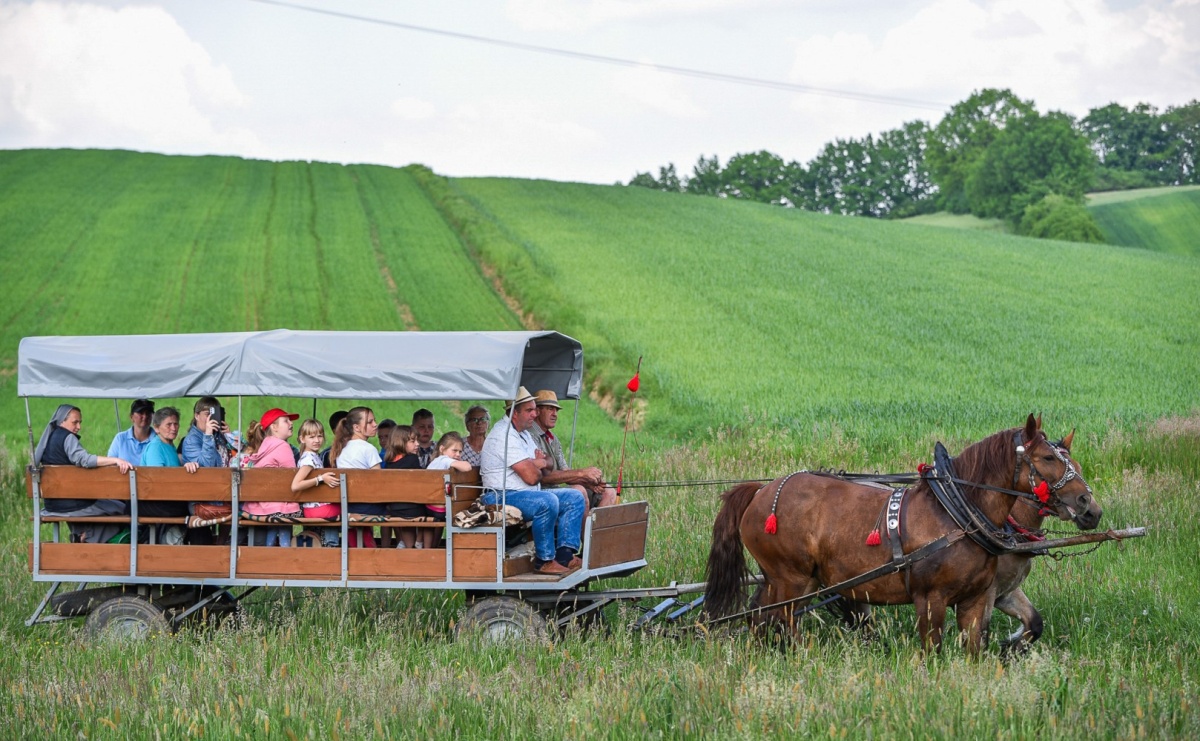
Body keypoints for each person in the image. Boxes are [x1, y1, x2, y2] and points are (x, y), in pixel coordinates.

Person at [480, 387, 585, 576]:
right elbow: (532, 477)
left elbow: (548, 466)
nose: (534, 414)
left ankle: (564, 555)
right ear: (514, 413)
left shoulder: (524, 434)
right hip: (500, 496)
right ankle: (544, 561)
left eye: (535, 409)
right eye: (529, 410)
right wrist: (536, 464)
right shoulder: (503, 436)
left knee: (574, 497)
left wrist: (538, 462)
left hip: (524, 494)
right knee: (547, 502)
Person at [35, 404, 132, 545]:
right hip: (72, 504)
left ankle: (82, 536)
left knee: (104, 509)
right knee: (122, 508)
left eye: (80, 422)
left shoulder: (50, 438)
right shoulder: (67, 437)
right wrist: (115, 460)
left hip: (53, 505)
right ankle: (87, 538)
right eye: (75, 422)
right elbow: (84, 459)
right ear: (62, 421)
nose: (79, 427)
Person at [531, 390, 619, 509]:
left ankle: (593, 526)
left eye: (556, 410)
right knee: (579, 491)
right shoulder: (530, 435)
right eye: (550, 409)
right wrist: (581, 473)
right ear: (537, 411)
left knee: (608, 491)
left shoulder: (553, 438)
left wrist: (588, 482)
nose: (555, 414)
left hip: (556, 490)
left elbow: (565, 470)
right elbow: (542, 477)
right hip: (539, 492)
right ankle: (583, 527)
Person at [239, 408, 303, 547]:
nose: (291, 423)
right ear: (274, 427)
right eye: (286, 421)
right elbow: (293, 477)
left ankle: (269, 553)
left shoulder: (265, 445)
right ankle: (284, 557)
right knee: (291, 511)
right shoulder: (283, 446)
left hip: (259, 505)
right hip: (278, 505)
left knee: (276, 523)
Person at [138, 407, 197, 542]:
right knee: (192, 510)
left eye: (175, 424)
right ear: (157, 428)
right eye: (168, 424)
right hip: (153, 501)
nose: (173, 428)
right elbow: (158, 481)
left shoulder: (170, 447)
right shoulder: (156, 447)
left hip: (166, 499)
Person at [330, 406, 383, 547]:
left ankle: (354, 553)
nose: (375, 424)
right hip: (367, 506)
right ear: (357, 427)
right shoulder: (369, 449)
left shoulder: (341, 449)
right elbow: (380, 482)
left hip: (348, 505)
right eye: (370, 422)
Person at [291, 418, 341, 546]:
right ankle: (332, 545)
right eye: (312, 437)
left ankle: (330, 543)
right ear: (302, 439)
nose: (317, 440)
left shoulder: (312, 456)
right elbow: (296, 485)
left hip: (313, 507)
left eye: (320, 436)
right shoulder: (309, 459)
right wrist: (320, 479)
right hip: (316, 509)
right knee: (347, 510)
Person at [422, 431, 472, 549]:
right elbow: (467, 467)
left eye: (460, 451)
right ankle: (438, 548)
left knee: (435, 522)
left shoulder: (435, 462)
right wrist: (461, 462)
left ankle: (430, 548)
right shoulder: (444, 460)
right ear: (442, 449)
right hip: (440, 509)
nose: (458, 454)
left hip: (429, 506)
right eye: (454, 450)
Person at [381, 424, 424, 549]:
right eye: (412, 441)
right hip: (414, 508)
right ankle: (419, 544)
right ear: (400, 442)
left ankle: (407, 545)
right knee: (434, 511)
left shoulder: (389, 462)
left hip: (395, 508)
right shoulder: (412, 459)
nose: (417, 444)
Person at [181, 397, 233, 469]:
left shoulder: (218, 433)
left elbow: (243, 454)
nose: (211, 418)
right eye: (207, 414)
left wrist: (229, 437)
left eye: (214, 414)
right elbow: (207, 467)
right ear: (197, 416)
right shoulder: (191, 441)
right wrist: (208, 435)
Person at [106, 398, 156, 465]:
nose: (145, 416)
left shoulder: (158, 439)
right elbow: (110, 463)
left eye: (148, 413)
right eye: (140, 413)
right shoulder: (120, 438)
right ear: (131, 417)